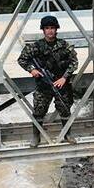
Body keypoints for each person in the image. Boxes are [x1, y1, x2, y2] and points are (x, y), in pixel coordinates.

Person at [16, 15, 77, 147]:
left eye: (52, 28)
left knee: (65, 109)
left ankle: (67, 134)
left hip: (61, 85)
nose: (50, 31)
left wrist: (64, 77)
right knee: (39, 111)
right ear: (43, 30)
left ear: (56, 29)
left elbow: (74, 62)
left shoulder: (64, 45)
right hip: (43, 85)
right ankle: (36, 137)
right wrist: (32, 70)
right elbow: (22, 59)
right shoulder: (36, 46)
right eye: (47, 28)